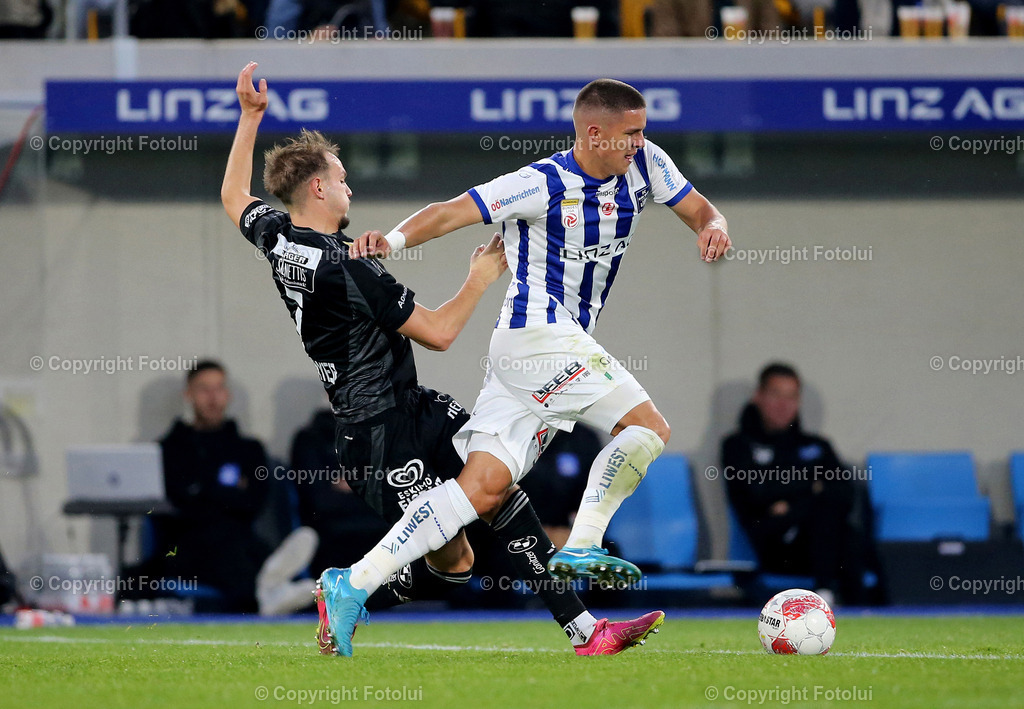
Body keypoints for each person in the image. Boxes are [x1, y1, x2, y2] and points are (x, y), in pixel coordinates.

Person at [221, 62, 664, 657]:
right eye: (344, 179)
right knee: (455, 561)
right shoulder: (349, 268)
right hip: (376, 433)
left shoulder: (277, 237)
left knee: (498, 486)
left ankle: (585, 630)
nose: (351, 190)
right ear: (320, 189)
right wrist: (478, 279)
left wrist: (249, 119)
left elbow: (233, 196)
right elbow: (438, 333)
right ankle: (348, 587)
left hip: (414, 409)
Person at [331, 77, 730, 648]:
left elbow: (700, 209)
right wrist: (390, 244)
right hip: (536, 338)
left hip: (530, 358)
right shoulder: (539, 182)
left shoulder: (646, 164)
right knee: (648, 428)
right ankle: (585, 542)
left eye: (644, 132)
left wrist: (713, 229)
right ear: (595, 132)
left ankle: (354, 582)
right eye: (631, 134)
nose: (640, 143)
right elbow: (450, 212)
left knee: (483, 488)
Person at [159, 359, 317, 614]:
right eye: (204, 389)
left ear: (228, 394)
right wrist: (229, 492)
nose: (213, 397)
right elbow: (179, 501)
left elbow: (253, 502)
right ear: (188, 395)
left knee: (244, 548)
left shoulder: (249, 449)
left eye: (219, 388)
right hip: (186, 546)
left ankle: (271, 590)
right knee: (224, 547)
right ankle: (271, 592)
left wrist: (202, 487)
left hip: (240, 538)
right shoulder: (170, 448)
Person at [721, 362, 872, 605]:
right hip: (772, 548)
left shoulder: (817, 445)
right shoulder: (737, 445)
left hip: (822, 541)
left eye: (791, 397)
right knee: (826, 512)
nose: (783, 405)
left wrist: (789, 503)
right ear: (758, 397)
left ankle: (854, 609)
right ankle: (838, 599)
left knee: (840, 523)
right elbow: (755, 493)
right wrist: (812, 485)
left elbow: (845, 491)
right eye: (776, 395)